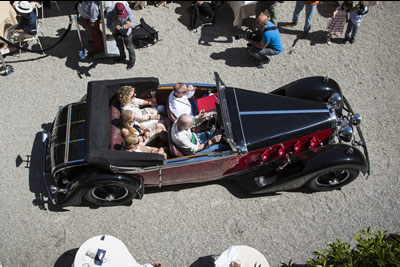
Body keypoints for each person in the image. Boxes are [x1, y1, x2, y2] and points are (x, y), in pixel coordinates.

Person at [106, 2, 136, 70]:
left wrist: (130, 24)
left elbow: (134, 23)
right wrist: (114, 26)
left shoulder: (128, 9)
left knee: (129, 47)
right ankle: (122, 57)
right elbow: (108, 25)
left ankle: (132, 60)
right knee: (119, 45)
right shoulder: (109, 11)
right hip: (116, 31)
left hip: (127, 31)